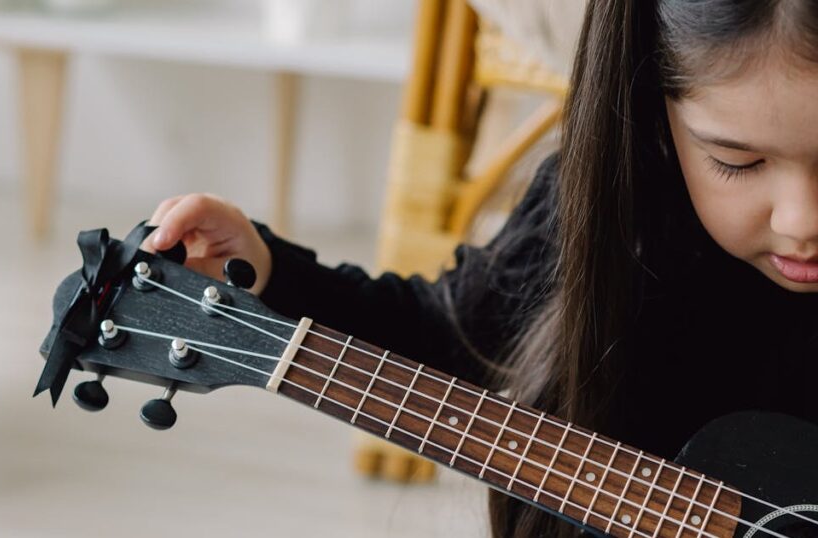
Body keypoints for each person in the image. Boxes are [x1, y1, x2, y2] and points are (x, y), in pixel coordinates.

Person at [145, 0, 818, 535]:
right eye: (737, 161)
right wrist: (261, 268)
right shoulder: (614, 208)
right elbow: (446, 335)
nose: (800, 220)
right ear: (657, 112)